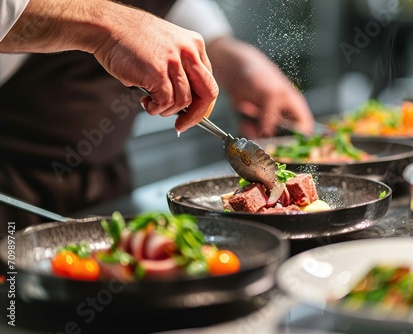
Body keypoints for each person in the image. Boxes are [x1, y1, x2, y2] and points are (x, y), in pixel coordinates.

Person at [0, 0, 315, 230]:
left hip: (103, 177)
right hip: (9, 186)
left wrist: (233, 60)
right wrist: (108, 25)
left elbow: (168, 7)